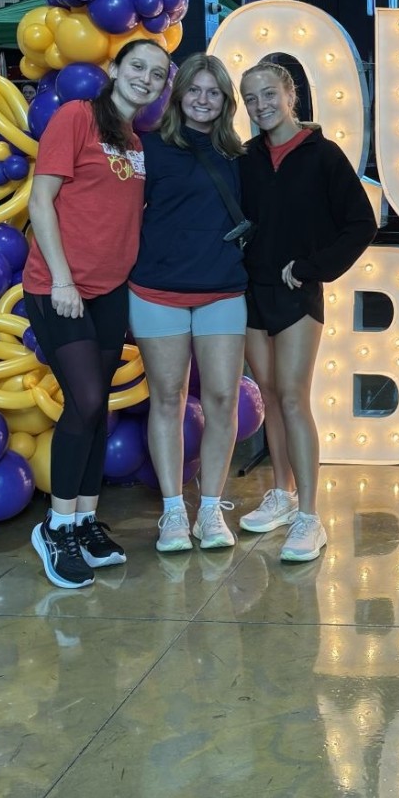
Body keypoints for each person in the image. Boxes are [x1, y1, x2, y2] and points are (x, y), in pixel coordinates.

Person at [23, 38, 171, 588]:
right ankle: (56, 527)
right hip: (59, 288)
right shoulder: (76, 117)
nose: (146, 79)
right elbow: (41, 201)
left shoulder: (135, 140)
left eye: (157, 75)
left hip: (110, 292)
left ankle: (83, 520)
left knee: (96, 406)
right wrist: (62, 278)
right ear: (114, 68)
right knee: (83, 400)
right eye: (137, 67)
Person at [236, 60, 378, 561]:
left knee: (294, 397)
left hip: (297, 295)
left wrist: (313, 267)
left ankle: (309, 517)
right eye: (251, 99)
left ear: (290, 93)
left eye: (269, 93)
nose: (260, 105)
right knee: (270, 395)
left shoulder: (323, 155)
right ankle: (281, 493)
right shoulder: (246, 157)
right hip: (250, 293)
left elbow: (362, 223)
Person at [128, 54, 248, 553]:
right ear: (178, 97)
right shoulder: (149, 149)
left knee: (222, 398)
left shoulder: (239, 157)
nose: (202, 99)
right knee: (169, 399)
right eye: (194, 90)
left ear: (225, 102)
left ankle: (210, 509)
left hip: (222, 289)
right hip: (157, 290)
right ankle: (174, 512)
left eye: (213, 92)